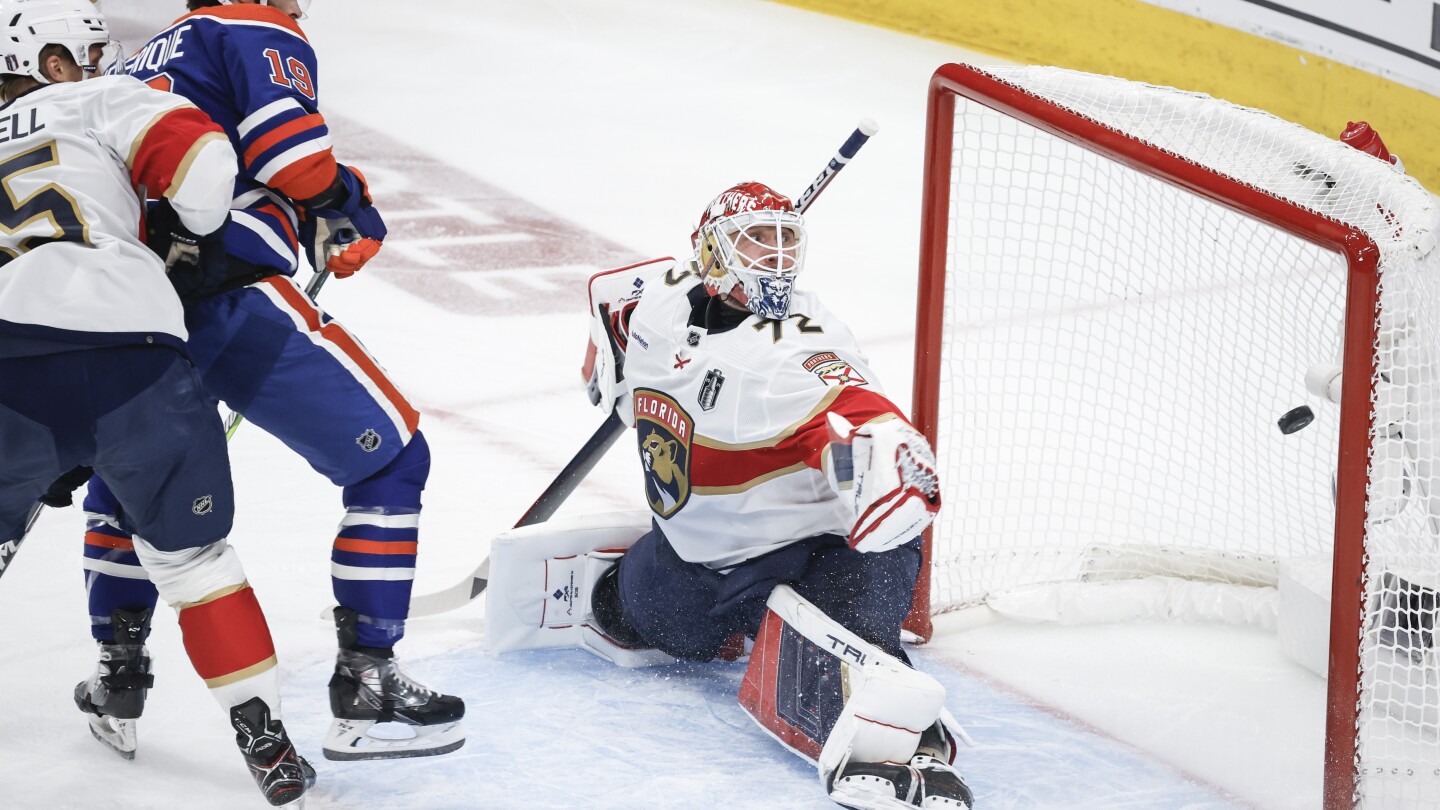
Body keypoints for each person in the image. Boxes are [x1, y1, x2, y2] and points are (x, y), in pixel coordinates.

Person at [74, 0, 464, 763]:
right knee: (393, 461)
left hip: (128, 311)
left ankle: (117, 677)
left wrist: (320, 199)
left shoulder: (141, 57)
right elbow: (290, 157)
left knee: (126, 486)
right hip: (227, 300)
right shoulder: (253, 26)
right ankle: (368, 684)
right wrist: (337, 199)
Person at [570, 182, 974, 809]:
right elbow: (619, 295)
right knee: (634, 613)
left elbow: (848, 408)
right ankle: (735, 621)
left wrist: (881, 446)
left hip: (816, 551)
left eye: (787, 241)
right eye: (757, 240)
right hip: (701, 559)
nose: (775, 258)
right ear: (708, 254)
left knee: (856, 640)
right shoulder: (664, 304)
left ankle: (902, 748)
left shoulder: (796, 349)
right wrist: (606, 356)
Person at [0, 0, 312, 805]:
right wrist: (190, 230)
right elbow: (204, 162)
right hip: (136, 357)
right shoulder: (99, 100)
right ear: (53, 60)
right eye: (92, 51)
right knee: (197, 564)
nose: (106, 64)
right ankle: (267, 745)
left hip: (6, 368)